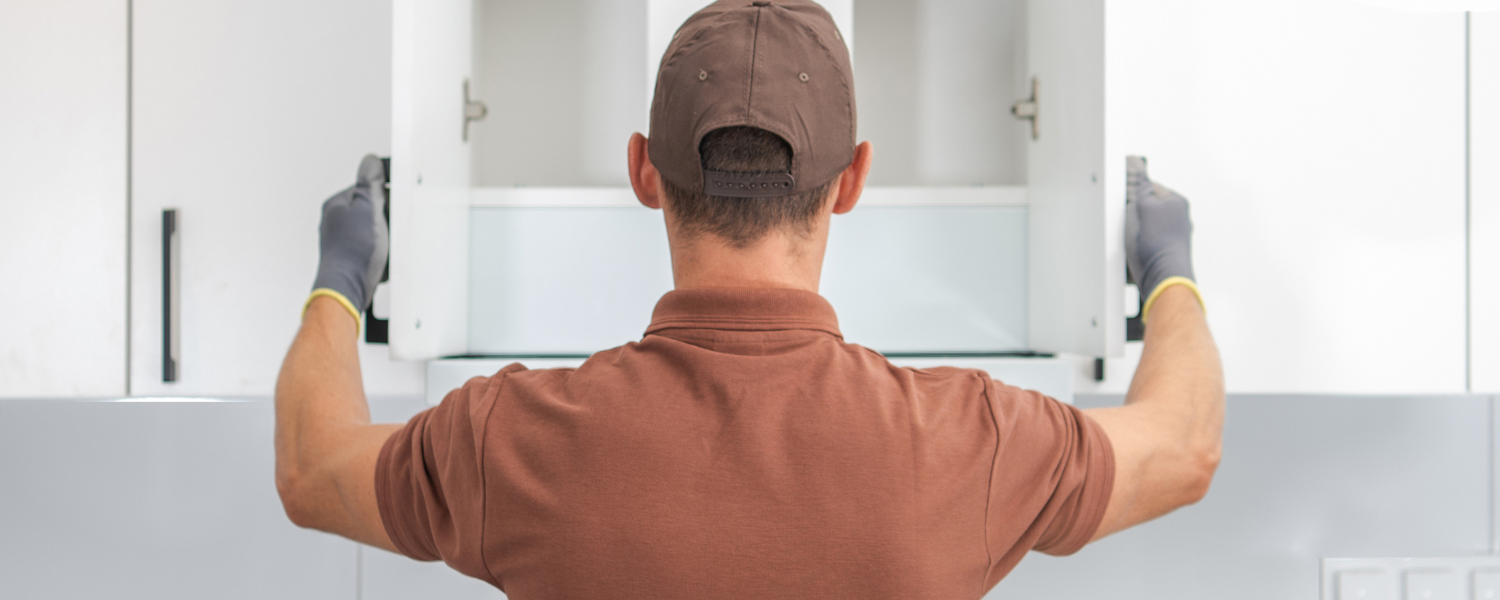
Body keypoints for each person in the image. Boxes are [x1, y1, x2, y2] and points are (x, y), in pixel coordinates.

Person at [272, 0, 1224, 597]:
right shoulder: (970, 442)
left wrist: (342, 282)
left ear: (644, 171)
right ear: (851, 181)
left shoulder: (508, 440)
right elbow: (1181, 451)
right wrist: (1166, 272)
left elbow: (313, 472)